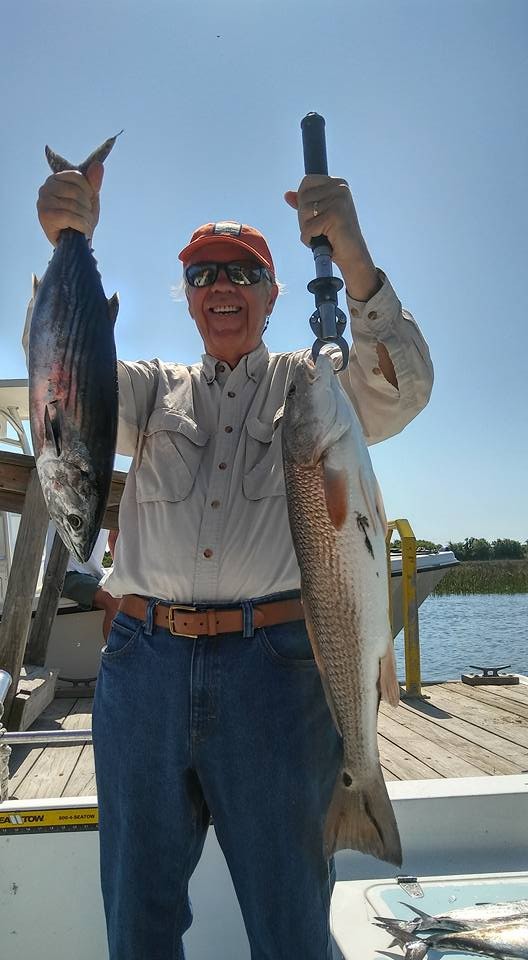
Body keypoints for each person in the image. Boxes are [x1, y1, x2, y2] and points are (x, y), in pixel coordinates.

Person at [34, 159, 433, 960]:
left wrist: (351, 255)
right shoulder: (147, 392)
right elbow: (66, 383)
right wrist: (64, 242)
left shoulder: (311, 382)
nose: (223, 285)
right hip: (142, 673)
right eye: (202, 272)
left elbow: (405, 388)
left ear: (275, 293)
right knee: (139, 924)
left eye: (245, 271)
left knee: (290, 926)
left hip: (277, 679)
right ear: (185, 294)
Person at [43, 525, 120, 640]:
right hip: (62, 574)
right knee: (112, 599)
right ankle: (117, 656)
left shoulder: (109, 508)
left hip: (94, 575)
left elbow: (113, 537)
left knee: (135, 596)